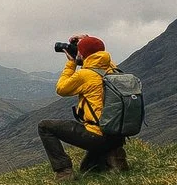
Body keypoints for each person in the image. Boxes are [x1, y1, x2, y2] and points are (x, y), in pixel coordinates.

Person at [39, 34, 129, 175]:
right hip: (117, 136)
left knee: (45, 126)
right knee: (88, 170)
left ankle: (64, 172)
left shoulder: (85, 75)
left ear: (83, 54)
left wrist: (71, 63)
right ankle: (114, 155)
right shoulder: (112, 69)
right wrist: (87, 38)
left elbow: (61, 89)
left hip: (96, 137)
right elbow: (96, 49)